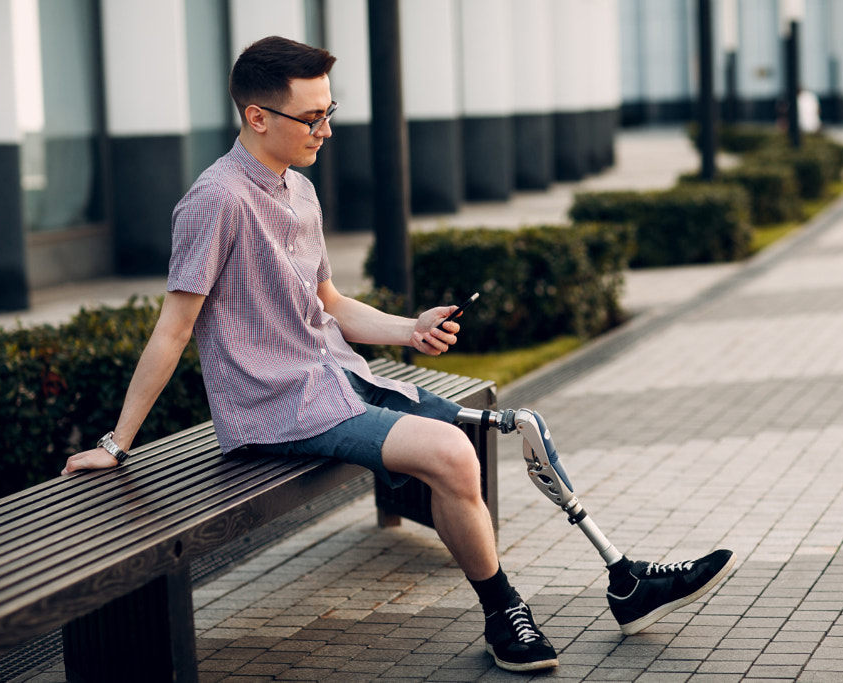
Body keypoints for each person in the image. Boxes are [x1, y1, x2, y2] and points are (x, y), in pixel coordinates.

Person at [61, 36, 734, 672]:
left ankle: (625, 576)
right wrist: (117, 444)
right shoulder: (214, 200)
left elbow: (328, 301)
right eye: (313, 117)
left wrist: (410, 329)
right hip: (276, 408)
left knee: (519, 424)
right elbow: (173, 328)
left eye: (331, 111)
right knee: (451, 454)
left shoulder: (299, 188)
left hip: (335, 379)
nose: (326, 130)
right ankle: (504, 611)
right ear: (257, 116)